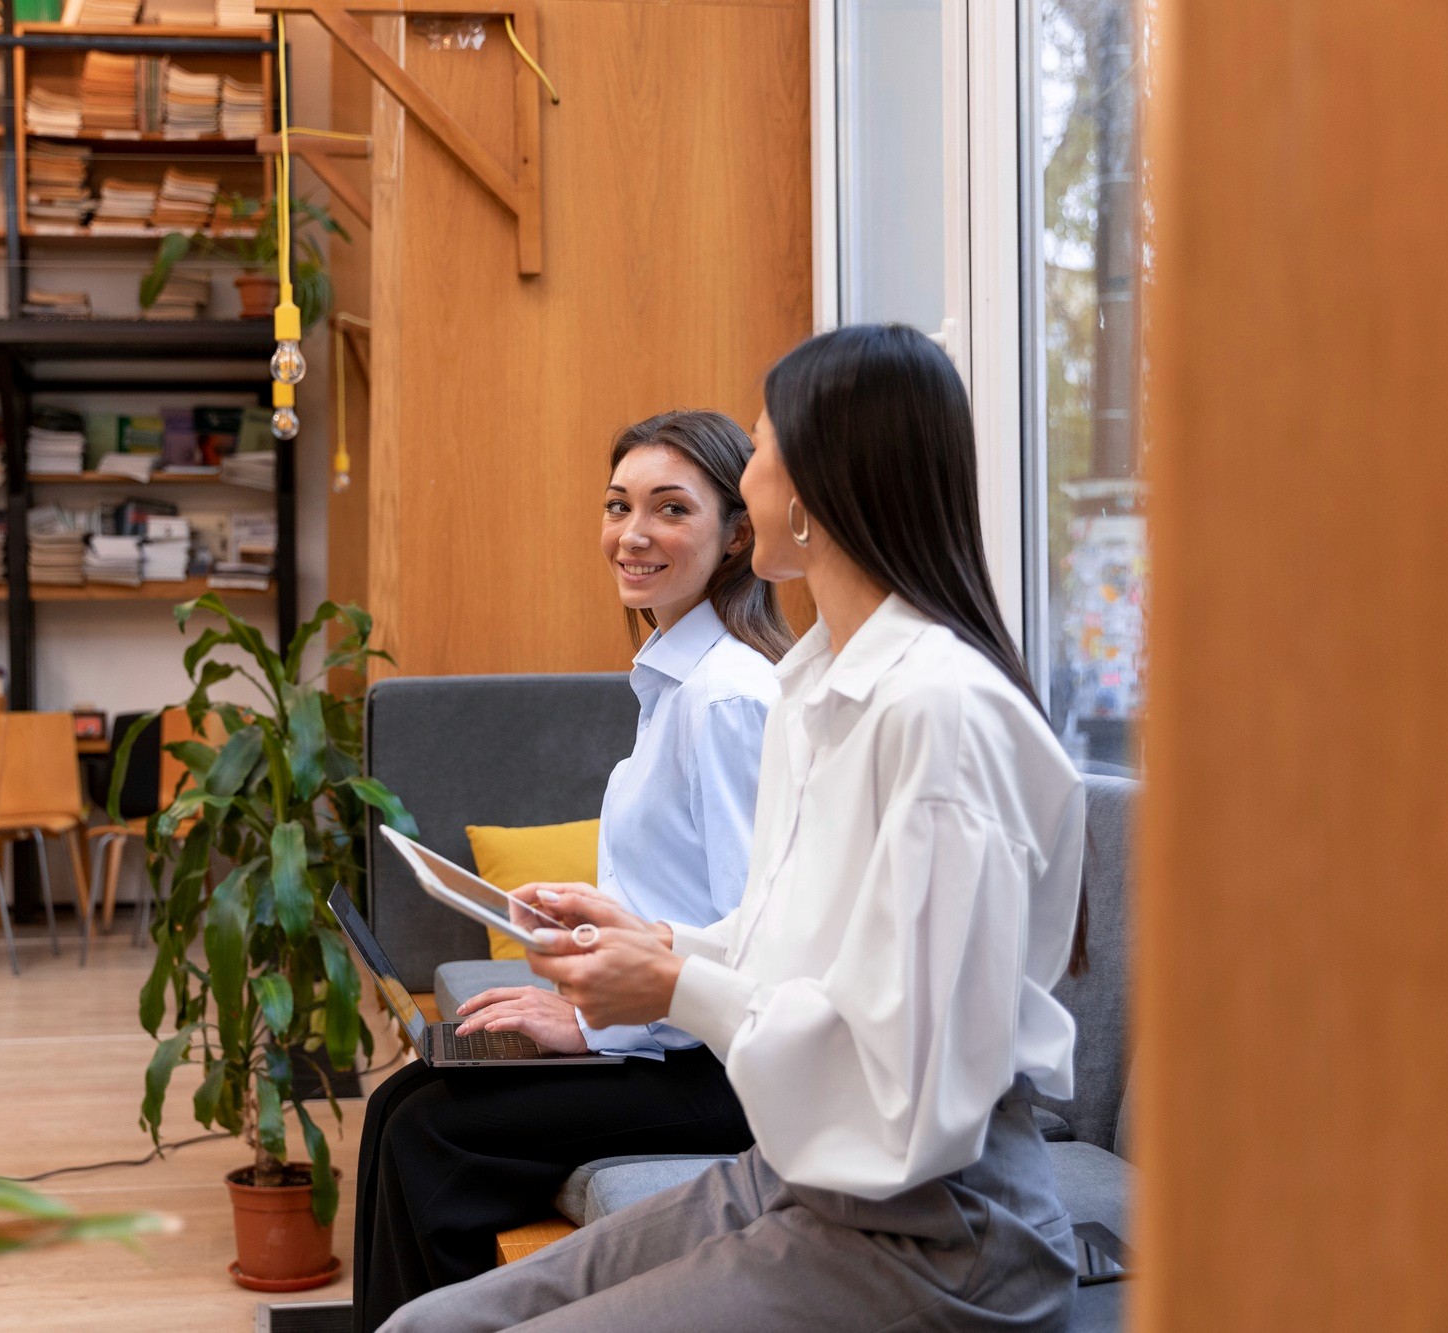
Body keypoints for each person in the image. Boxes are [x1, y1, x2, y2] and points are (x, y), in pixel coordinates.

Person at [379, 324, 1090, 1333]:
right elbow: (789, 945)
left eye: (754, 450)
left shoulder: (936, 717)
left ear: (809, 488)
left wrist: (669, 982)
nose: (742, 475)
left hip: (935, 1234)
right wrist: (655, 942)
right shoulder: (812, 688)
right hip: (797, 1174)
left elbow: (914, 1101)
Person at [353, 410, 793, 1331]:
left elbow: (764, 937)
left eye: (671, 509)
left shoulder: (728, 697)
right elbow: (687, 904)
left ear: (734, 534)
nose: (633, 534)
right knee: (403, 1101)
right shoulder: (673, 676)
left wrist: (595, 1024)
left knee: (432, 1135)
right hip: (672, 1032)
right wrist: (589, 943)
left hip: (722, 1067)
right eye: (618, 505)